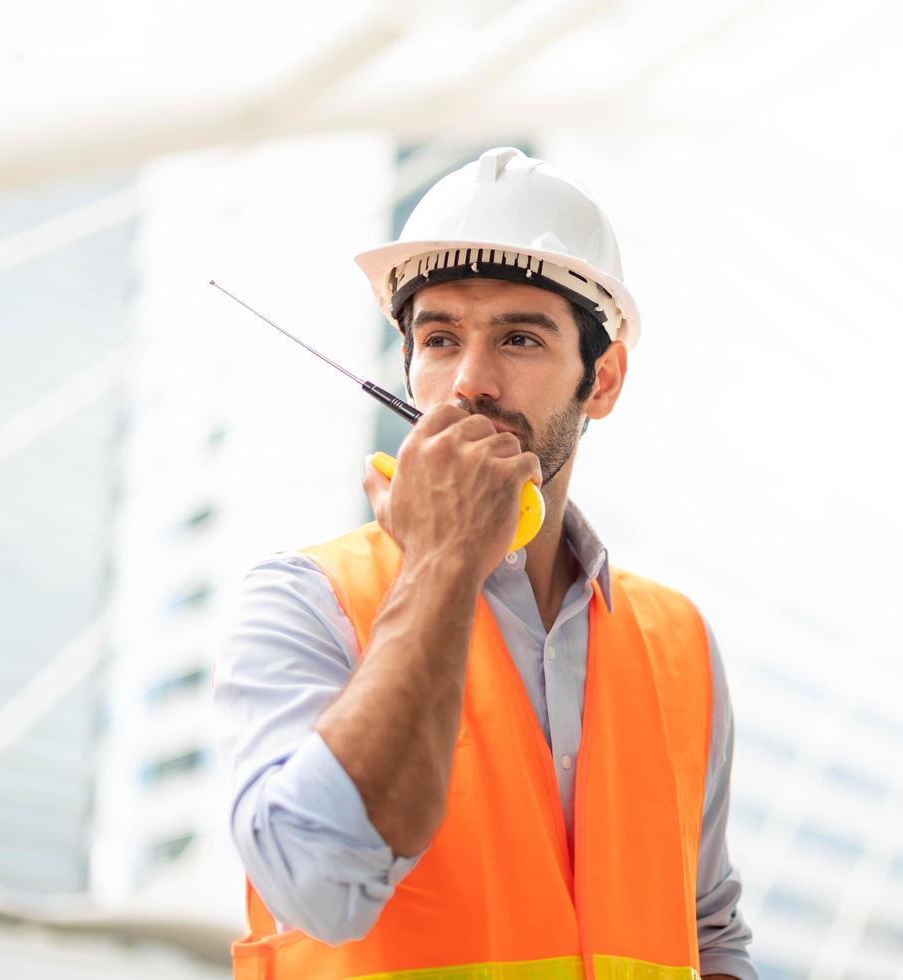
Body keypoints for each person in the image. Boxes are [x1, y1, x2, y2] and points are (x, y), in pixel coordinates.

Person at [214, 147, 756, 980]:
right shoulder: (304, 600)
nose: (470, 382)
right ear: (406, 371)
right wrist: (440, 562)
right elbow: (318, 888)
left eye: (518, 338)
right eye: (438, 338)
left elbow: (706, 933)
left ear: (601, 379)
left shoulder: (677, 641)